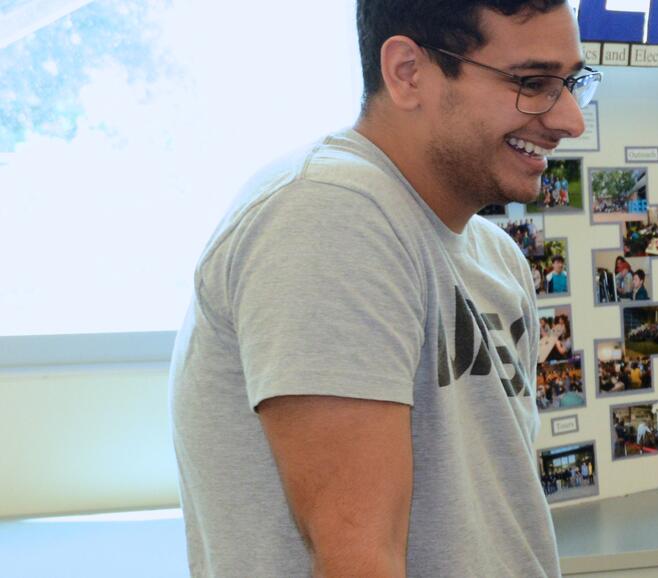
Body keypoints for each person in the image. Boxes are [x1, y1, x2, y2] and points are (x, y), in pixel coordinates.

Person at [168, 1, 591, 575]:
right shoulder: (330, 214)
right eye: (533, 83)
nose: (570, 120)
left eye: (572, 84)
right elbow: (358, 558)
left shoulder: (497, 258)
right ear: (408, 72)